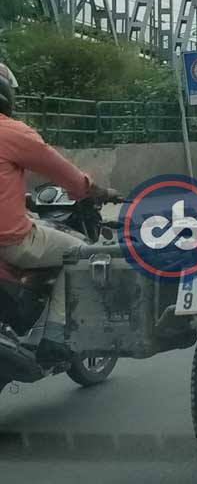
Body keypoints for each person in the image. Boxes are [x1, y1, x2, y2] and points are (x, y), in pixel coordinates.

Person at [0, 63, 117, 358]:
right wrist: (96, 191)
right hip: (9, 242)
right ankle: (55, 336)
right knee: (83, 255)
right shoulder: (12, 132)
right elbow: (67, 176)